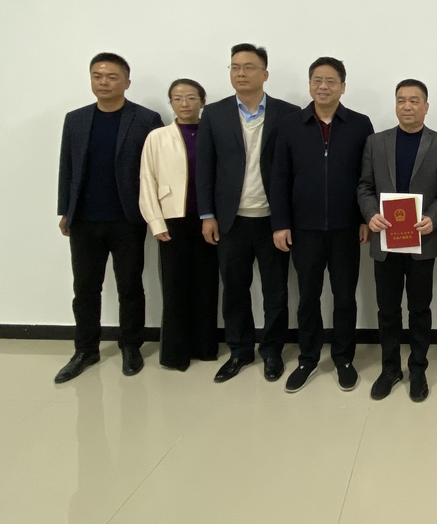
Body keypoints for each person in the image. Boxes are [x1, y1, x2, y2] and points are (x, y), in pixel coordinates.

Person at [55, 53, 163, 383]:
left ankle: (131, 346)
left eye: (112, 76)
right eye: (97, 76)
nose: (103, 82)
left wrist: (157, 214)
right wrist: (65, 210)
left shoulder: (146, 119)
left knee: (130, 286)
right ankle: (85, 349)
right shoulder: (75, 119)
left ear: (126, 82)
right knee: (85, 289)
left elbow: (158, 169)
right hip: (84, 219)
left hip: (127, 218)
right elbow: (67, 166)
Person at [196, 44, 300, 383]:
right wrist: (207, 214)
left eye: (249, 67)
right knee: (234, 289)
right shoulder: (214, 114)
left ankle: (272, 351)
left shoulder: (289, 114)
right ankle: (239, 350)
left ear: (265, 74)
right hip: (231, 220)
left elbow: (295, 169)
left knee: (275, 291)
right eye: (235, 67)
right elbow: (205, 168)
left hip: (273, 220)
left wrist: (288, 218)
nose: (240, 73)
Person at [270, 57, 374, 393]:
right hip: (304, 229)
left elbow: (368, 177)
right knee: (308, 297)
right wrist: (281, 223)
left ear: (343, 86)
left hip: (347, 228)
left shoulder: (360, 124)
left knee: (344, 297)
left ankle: (343, 358)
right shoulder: (290, 124)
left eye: (331, 80)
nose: (323, 86)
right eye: (317, 79)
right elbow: (279, 177)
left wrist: (364, 218)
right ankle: (308, 358)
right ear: (309, 84)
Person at [357, 79, 437, 402]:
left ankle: (417, 370)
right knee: (387, 310)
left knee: (419, 309)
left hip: (421, 243)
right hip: (385, 241)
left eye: (414, 101)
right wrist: (371, 214)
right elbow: (364, 187)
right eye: (401, 100)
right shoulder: (376, 142)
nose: (407, 106)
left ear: (426, 107)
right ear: (395, 105)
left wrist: (434, 218)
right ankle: (390, 369)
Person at [139, 78, 219, 371]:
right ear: (171, 102)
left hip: (209, 220)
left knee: (207, 285)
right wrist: (155, 221)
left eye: (191, 98)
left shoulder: (213, 132)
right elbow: (147, 179)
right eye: (177, 98)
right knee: (175, 287)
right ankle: (175, 353)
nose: (184, 104)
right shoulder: (157, 137)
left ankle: (205, 347)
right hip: (173, 219)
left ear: (202, 102)